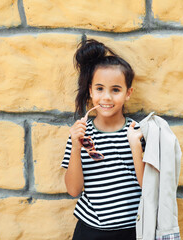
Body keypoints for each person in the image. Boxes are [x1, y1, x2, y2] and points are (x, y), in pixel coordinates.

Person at [61, 39, 145, 240]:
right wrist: (75, 145)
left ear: (128, 93)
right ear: (90, 91)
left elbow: (149, 187)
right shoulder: (81, 132)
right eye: (100, 89)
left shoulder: (137, 131)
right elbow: (73, 190)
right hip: (90, 231)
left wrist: (135, 146)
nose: (106, 97)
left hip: (133, 230)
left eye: (115, 90)